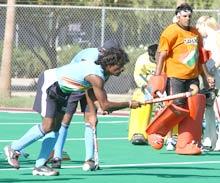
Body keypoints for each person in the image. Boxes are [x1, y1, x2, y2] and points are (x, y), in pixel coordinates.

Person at [3, 39, 142, 176]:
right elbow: (105, 105)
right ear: (110, 64)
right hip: (50, 84)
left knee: (55, 127)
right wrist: (130, 104)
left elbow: (93, 95)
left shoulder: (103, 73)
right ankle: (14, 148)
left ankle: (40, 166)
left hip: (63, 90)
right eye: (119, 65)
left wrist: (92, 113)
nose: (122, 69)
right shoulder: (95, 75)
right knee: (48, 125)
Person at [145, 3, 214, 155]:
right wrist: (158, 77)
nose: (187, 18)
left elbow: (200, 58)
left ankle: (185, 144)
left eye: (189, 16)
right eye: (184, 16)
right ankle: (156, 131)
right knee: (177, 106)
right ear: (178, 16)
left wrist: (207, 76)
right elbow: (161, 55)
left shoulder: (195, 33)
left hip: (192, 77)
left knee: (194, 107)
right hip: (175, 77)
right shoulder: (170, 32)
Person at [196, 15, 220, 151]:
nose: (198, 30)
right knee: (208, 106)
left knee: (218, 108)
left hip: (217, 74)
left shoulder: (217, 35)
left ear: (204, 24)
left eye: (199, 27)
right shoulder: (204, 41)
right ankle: (210, 139)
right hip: (209, 77)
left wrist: (214, 67)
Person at [128, 44, 158, 145]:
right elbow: (138, 75)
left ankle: (174, 134)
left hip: (166, 87)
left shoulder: (169, 58)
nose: (156, 60)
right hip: (148, 87)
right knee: (140, 97)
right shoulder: (142, 60)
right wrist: (144, 86)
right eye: (154, 58)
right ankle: (139, 133)